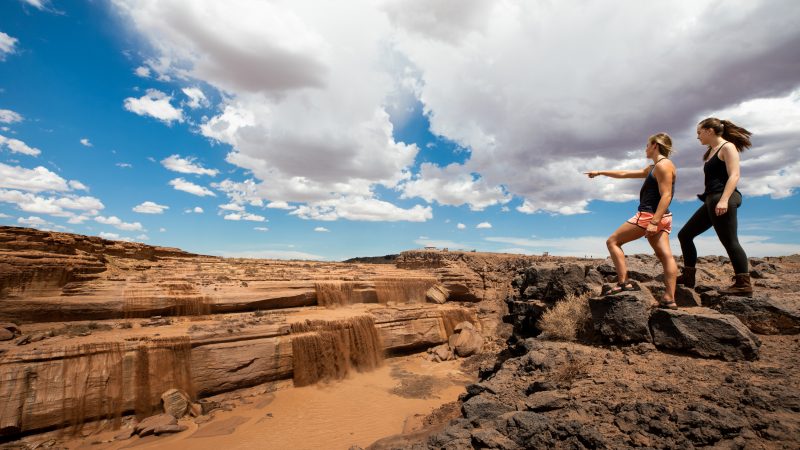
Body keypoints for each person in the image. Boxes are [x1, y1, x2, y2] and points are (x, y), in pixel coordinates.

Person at [585, 133, 678, 309]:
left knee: (613, 241)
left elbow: (667, 195)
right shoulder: (653, 167)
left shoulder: (664, 166)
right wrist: (600, 172)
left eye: (647, 145)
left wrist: (654, 221)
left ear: (655, 146)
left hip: (650, 216)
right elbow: (625, 173)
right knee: (665, 256)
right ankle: (669, 298)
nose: (645, 148)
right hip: (663, 217)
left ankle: (623, 282)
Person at [676, 118, 753, 296]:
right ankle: (688, 277)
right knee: (685, 234)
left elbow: (734, 175)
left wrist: (724, 200)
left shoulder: (727, 147)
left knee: (730, 241)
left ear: (709, 131)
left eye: (699, 132)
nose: (698, 137)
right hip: (711, 199)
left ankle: (743, 284)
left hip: (723, 197)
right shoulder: (712, 150)